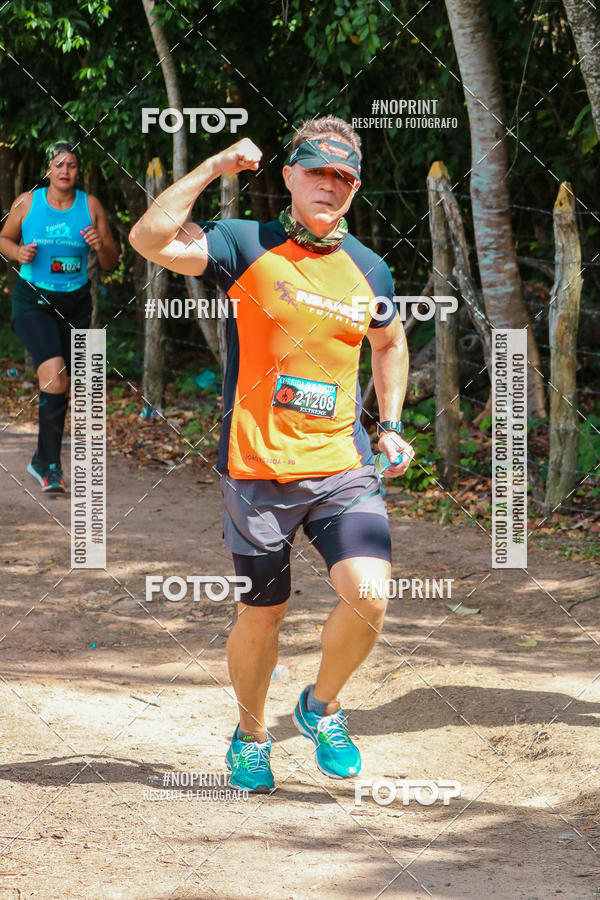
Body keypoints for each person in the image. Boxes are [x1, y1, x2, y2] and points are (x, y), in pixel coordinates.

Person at [130, 115, 414, 793]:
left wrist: (391, 422)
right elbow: (148, 239)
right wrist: (213, 167)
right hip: (256, 470)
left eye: (342, 177)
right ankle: (251, 734)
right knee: (263, 612)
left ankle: (322, 707)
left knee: (369, 595)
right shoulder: (243, 243)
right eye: (315, 171)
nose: (328, 186)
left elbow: (391, 342)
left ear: (354, 189)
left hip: (341, 468)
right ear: (289, 175)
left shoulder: (369, 268)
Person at [0, 140, 119, 492]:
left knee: (62, 385)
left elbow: (113, 261)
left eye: (71, 165)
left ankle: (41, 458)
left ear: (77, 171)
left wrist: (101, 246)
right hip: (33, 300)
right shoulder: (27, 202)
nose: (65, 171)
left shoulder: (90, 206)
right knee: (54, 378)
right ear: (48, 169)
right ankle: (51, 466)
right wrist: (17, 251)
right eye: (58, 164)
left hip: (76, 304)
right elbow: (3, 238)